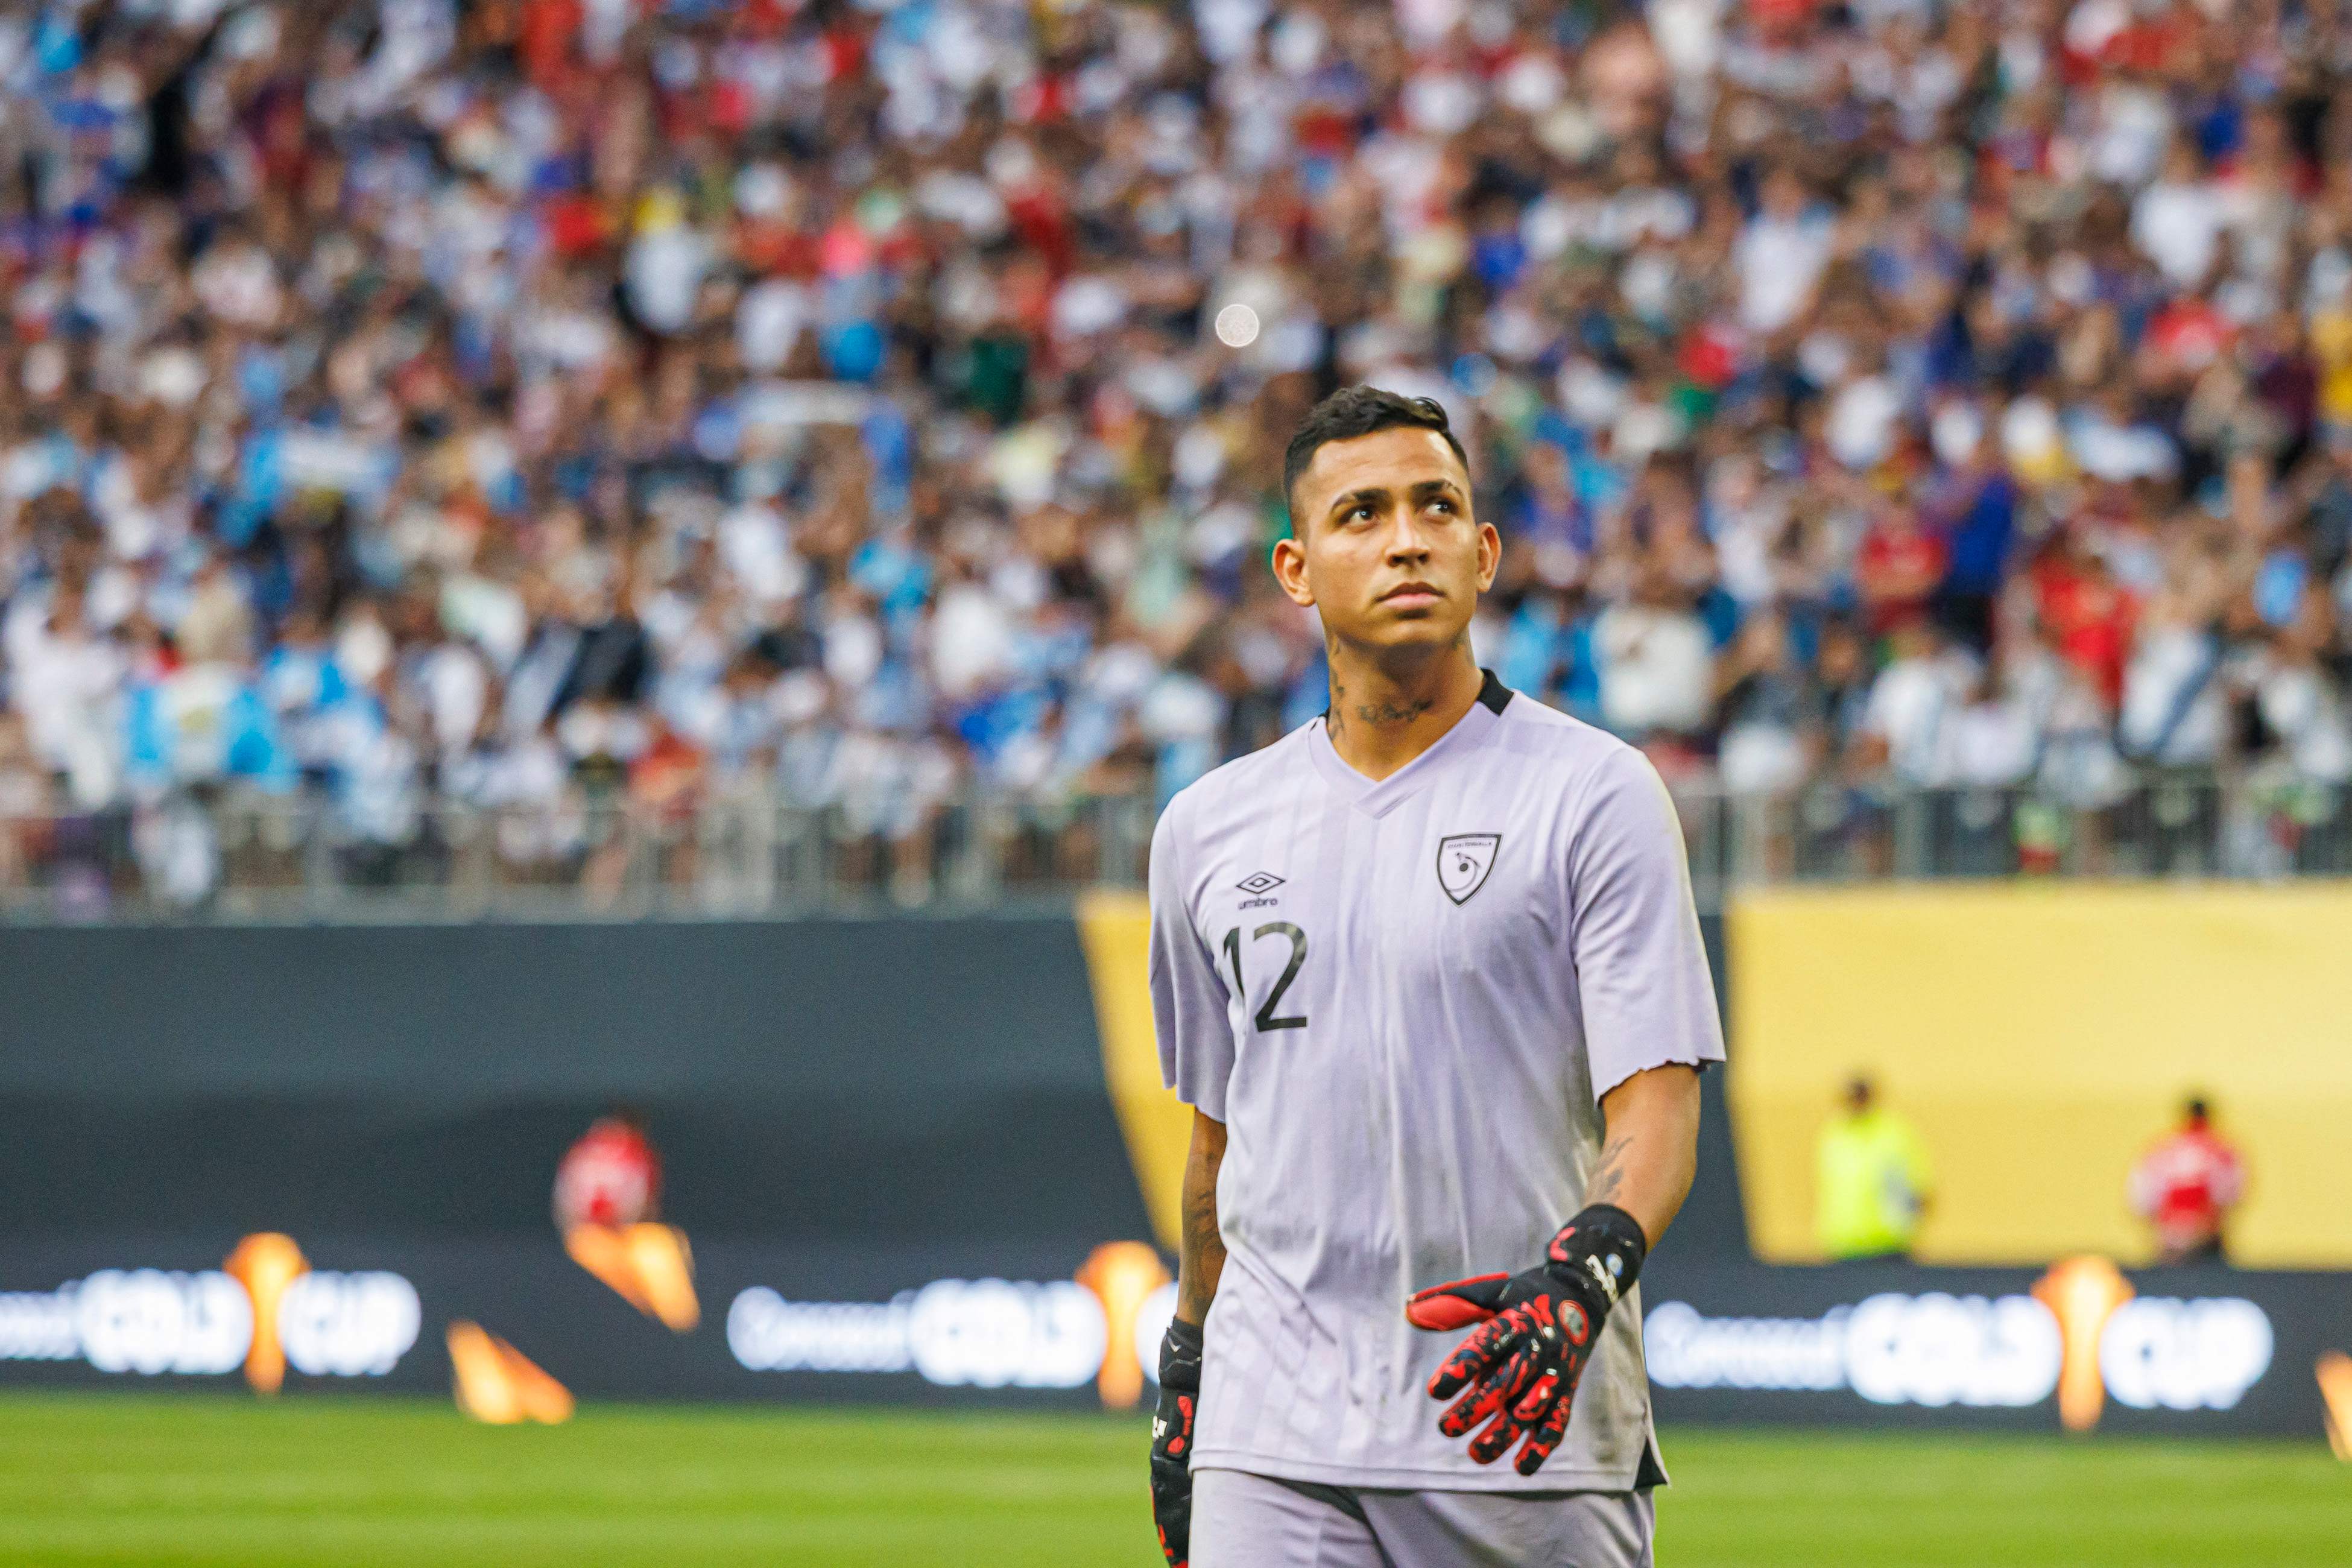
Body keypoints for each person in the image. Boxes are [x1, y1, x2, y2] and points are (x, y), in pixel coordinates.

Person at [1146, 388, 1723, 1568]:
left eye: (1437, 507)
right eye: (1362, 513)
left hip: (1520, 1416)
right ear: (1297, 570)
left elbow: (1655, 1109)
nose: (1407, 536)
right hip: (1272, 1428)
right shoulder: (1206, 830)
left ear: (1485, 550)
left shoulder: (1594, 794)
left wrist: (1580, 1278)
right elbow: (1218, 1144)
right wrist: (1188, 1372)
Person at [1814, 1077, 1934, 1261]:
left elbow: (1921, 1188)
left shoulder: (1894, 1133)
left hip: (1889, 1246)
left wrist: (1912, 1225)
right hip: (1842, 1247)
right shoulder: (1834, 1134)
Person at [2128, 1096, 2246, 1265]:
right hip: (2207, 1242)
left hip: (2171, 1243)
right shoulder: (2223, 1150)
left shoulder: (2160, 1150)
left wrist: (2170, 1231)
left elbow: (2141, 1200)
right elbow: (2232, 1196)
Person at [552, 1108, 662, 1234]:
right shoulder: (635, 1150)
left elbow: (564, 1198)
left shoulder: (580, 1149)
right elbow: (644, 1203)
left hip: (583, 1232)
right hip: (618, 1232)